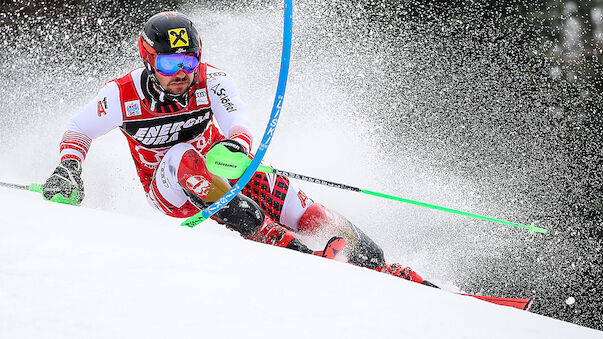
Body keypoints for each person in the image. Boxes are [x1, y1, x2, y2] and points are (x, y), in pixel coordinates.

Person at [43, 11, 434, 286]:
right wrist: (69, 168)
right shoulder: (121, 95)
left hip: (221, 163)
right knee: (182, 156)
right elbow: (79, 129)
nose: (181, 74)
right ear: (148, 61)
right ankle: (280, 243)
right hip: (170, 189)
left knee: (304, 210)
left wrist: (234, 146)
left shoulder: (212, 80)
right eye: (168, 64)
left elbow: (238, 124)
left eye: (188, 61)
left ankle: (379, 263)